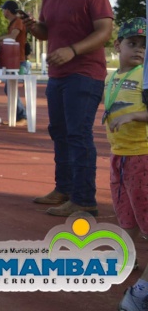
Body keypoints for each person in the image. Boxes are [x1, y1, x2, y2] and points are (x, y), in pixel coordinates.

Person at [23, 0, 113, 216]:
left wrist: (72, 50)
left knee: (77, 135)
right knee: (60, 133)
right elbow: (46, 32)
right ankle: (63, 189)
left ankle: (84, 200)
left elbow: (104, 32)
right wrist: (32, 27)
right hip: (57, 77)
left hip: (85, 75)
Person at [101, 17, 148, 311]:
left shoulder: (146, 75)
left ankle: (142, 288)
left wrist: (132, 116)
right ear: (118, 45)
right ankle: (130, 258)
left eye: (145, 46)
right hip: (119, 156)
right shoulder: (112, 76)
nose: (139, 51)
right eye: (133, 44)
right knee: (126, 216)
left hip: (142, 155)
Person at [0, 0, 28, 125]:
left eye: (4, 9)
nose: (3, 11)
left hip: (19, 61)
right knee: (9, 88)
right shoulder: (13, 23)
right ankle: (18, 116)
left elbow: (12, 37)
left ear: (8, 10)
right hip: (14, 61)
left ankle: (22, 116)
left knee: (10, 88)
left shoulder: (18, 22)